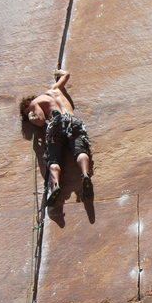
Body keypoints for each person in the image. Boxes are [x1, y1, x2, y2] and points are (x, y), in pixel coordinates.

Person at [20, 69, 93, 206]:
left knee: (54, 159)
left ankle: (56, 185)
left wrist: (31, 118)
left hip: (56, 124)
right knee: (80, 150)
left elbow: (41, 120)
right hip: (72, 120)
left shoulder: (34, 103)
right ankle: (85, 174)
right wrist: (58, 71)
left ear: (27, 104)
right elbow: (66, 74)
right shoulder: (54, 89)